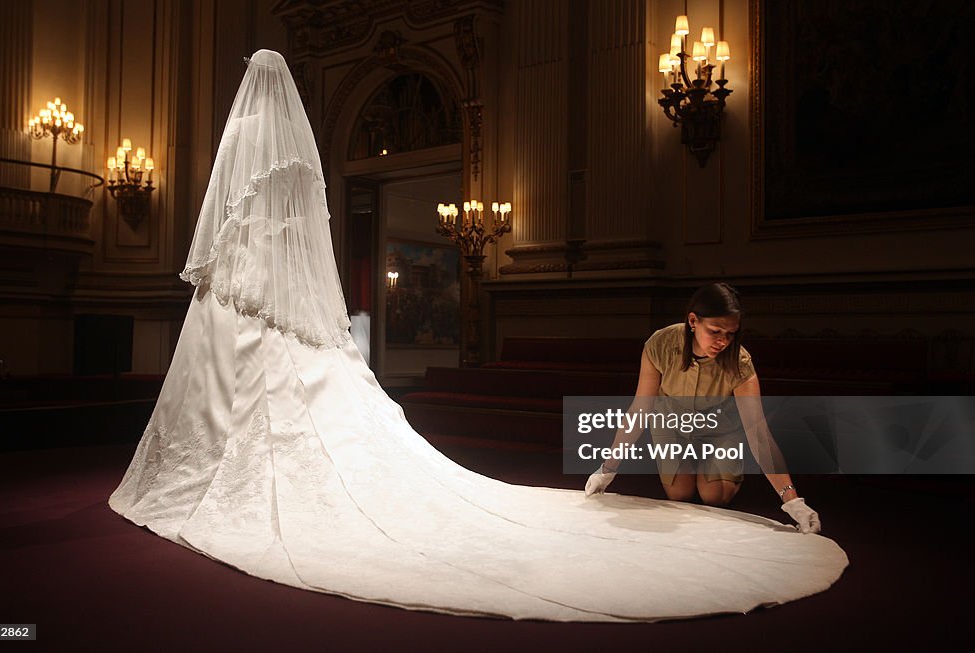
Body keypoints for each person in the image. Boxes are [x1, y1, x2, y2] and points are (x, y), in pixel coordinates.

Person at [109, 50, 845, 622]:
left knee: (708, 485)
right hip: (272, 303)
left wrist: (786, 494)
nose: (721, 338)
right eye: (715, 329)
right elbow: (300, 238)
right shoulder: (293, 162)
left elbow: (240, 233)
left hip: (241, 300)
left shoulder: (243, 146)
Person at [584, 282, 821, 534]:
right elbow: (640, 410)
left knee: (713, 495)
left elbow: (758, 433)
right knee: (679, 493)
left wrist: (792, 501)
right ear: (693, 321)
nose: (723, 341)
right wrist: (607, 468)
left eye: (730, 334)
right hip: (672, 423)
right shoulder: (661, 345)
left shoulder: (740, 363)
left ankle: (725, 466)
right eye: (715, 330)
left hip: (722, 429)